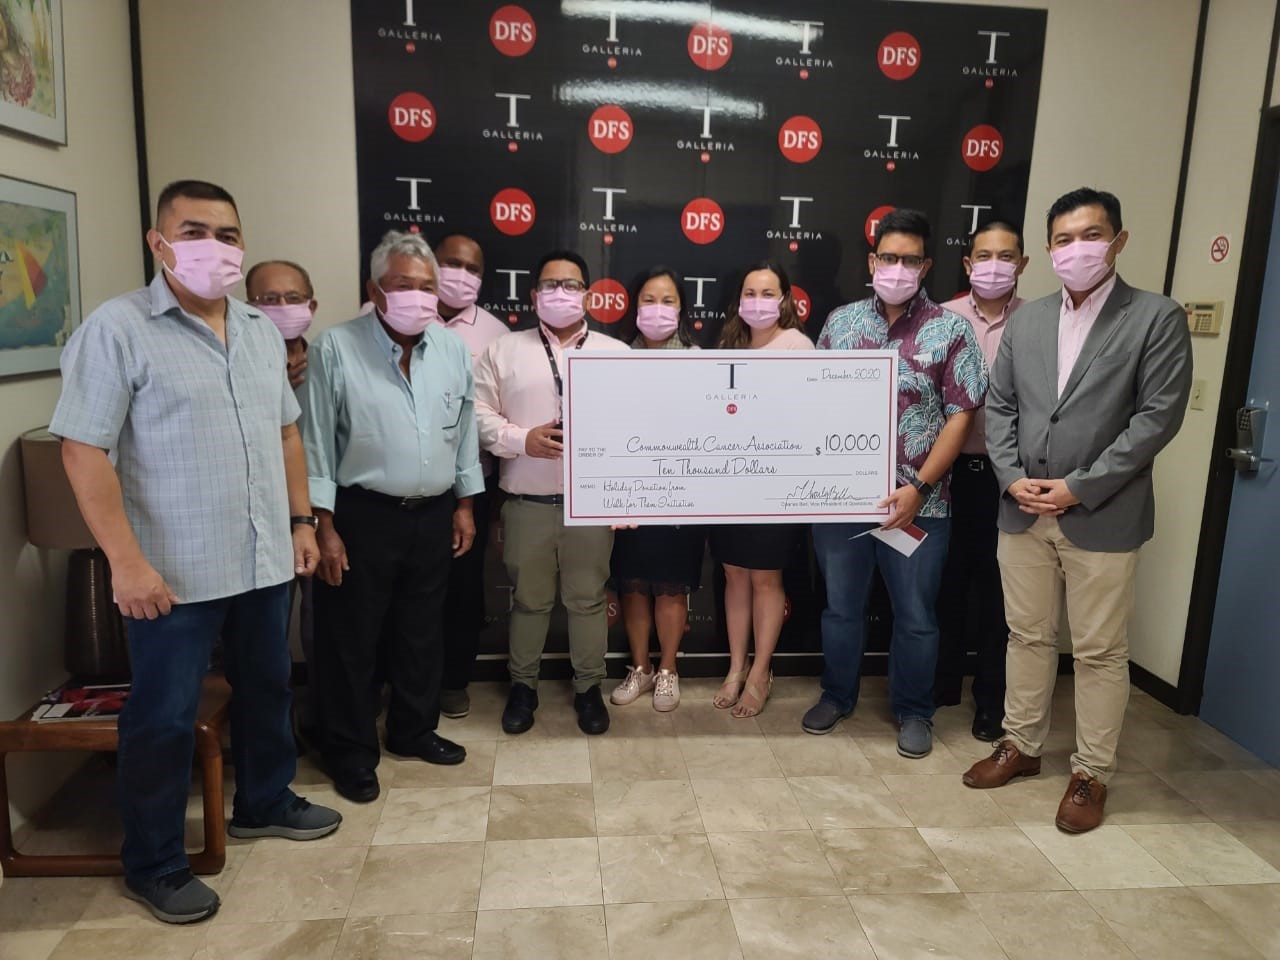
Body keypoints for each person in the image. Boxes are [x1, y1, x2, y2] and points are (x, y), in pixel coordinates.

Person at [49, 180, 340, 925]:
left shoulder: (255, 330)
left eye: (229, 234)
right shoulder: (117, 330)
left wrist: (302, 520)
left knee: (268, 685)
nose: (217, 247)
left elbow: (286, 434)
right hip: (170, 572)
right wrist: (126, 561)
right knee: (163, 717)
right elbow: (84, 452)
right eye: (196, 230)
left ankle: (265, 800)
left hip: (262, 556)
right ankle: (154, 861)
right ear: (159, 241)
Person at [963, 188, 1193, 833]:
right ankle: (1022, 745)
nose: (1077, 250)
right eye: (1063, 240)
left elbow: (1155, 420)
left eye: (1090, 236)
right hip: (1023, 510)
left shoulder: (1155, 317)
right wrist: (1011, 479)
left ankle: (1090, 772)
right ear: (1049, 249)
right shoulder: (1028, 320)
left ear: (1118, 241)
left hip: (1102, 514)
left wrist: (1079, 486)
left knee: (1097, 651)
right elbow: (1001, 407)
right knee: (1027, 636)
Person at [301, 230, 481, 804]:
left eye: (427, 287)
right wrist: (322, 525)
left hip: (433, 513)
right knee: (351, 640)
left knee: (421, 631)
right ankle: (350, 751)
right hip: (360, 516)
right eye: (405, 285)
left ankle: (412, 729)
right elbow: (316, 443)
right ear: (375, 290)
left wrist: (466, 503)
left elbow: (466, 430)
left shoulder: (451, 349)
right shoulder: (336, 347)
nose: (419, 297)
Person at [803, 209, 987, 760]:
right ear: (872, 262)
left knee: (915, 614)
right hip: (840, 501)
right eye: (889, 258)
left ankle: (915, 711)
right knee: (840, 608)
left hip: (921, 503)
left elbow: (961, 415)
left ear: (926, 264)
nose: (899, 269)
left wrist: (920, 489)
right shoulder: (839, 324)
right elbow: (809, 399)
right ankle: (837, 695)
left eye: (910, 260)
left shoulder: (951, 330)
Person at [474, 249, 629, 735]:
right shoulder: (504, 350)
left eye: (571, 284)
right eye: (550, 285)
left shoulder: (615, 354)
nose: (560, 293)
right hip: (527, 503)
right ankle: (523, 686)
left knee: (586, 600)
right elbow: (479, 416)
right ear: (533, 293)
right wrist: (523, 440)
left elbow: (637, 429)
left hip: (591, 507)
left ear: (588, 293)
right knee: (529, 601)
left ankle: (589, 689)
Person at [934, 221, 1029, 741]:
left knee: (998, 597)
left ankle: (990, 701)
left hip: (1007, 478)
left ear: (1022, 264)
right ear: (968, 264)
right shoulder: (943, 319)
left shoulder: (1037, 322)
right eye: (984, 256)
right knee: (944, 587)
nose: (995, 266)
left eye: (1006, 256)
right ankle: (942, 683)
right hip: (947, 475)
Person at [707, 259, 813, 719]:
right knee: (734, 574)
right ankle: (735, 666)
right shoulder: (730, 341)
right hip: (729, 482)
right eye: (750, 293)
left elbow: (801, 416)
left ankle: (761, 671)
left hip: (775, 482)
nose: (758, 302)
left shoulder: (797, 345)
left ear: (785, 300)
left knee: (767, 578)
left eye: (768, 293)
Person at [609, 267, 705, 712]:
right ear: (634, 306)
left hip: (680, 492)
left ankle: (668, 669)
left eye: (668, 301)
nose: (658, 310)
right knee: (632, 584)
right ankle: (641, 667)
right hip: (628, 492)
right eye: (649, 300)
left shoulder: (699, 359)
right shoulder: (611, 358)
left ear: (682, 309)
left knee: (670, 586)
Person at [433, 234, 511, 720]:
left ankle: (452, 681)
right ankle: (403, 683)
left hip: (470, 484)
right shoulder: (378, 318)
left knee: (461, 589)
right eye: (451, 263)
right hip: (395, 487)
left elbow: (496, 415)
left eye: (472, 267)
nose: (461, 274)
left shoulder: (495, 335)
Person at [245, 260, 319, 744]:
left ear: (312, 306)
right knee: (262, 646)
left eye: (293, 299)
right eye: (268, 300)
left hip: (320, 519)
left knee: (323, 633)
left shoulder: (331, 362)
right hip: (255, 523)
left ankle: (321, 726)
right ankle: (272, 742)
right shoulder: (236, 362)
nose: (282, 309)